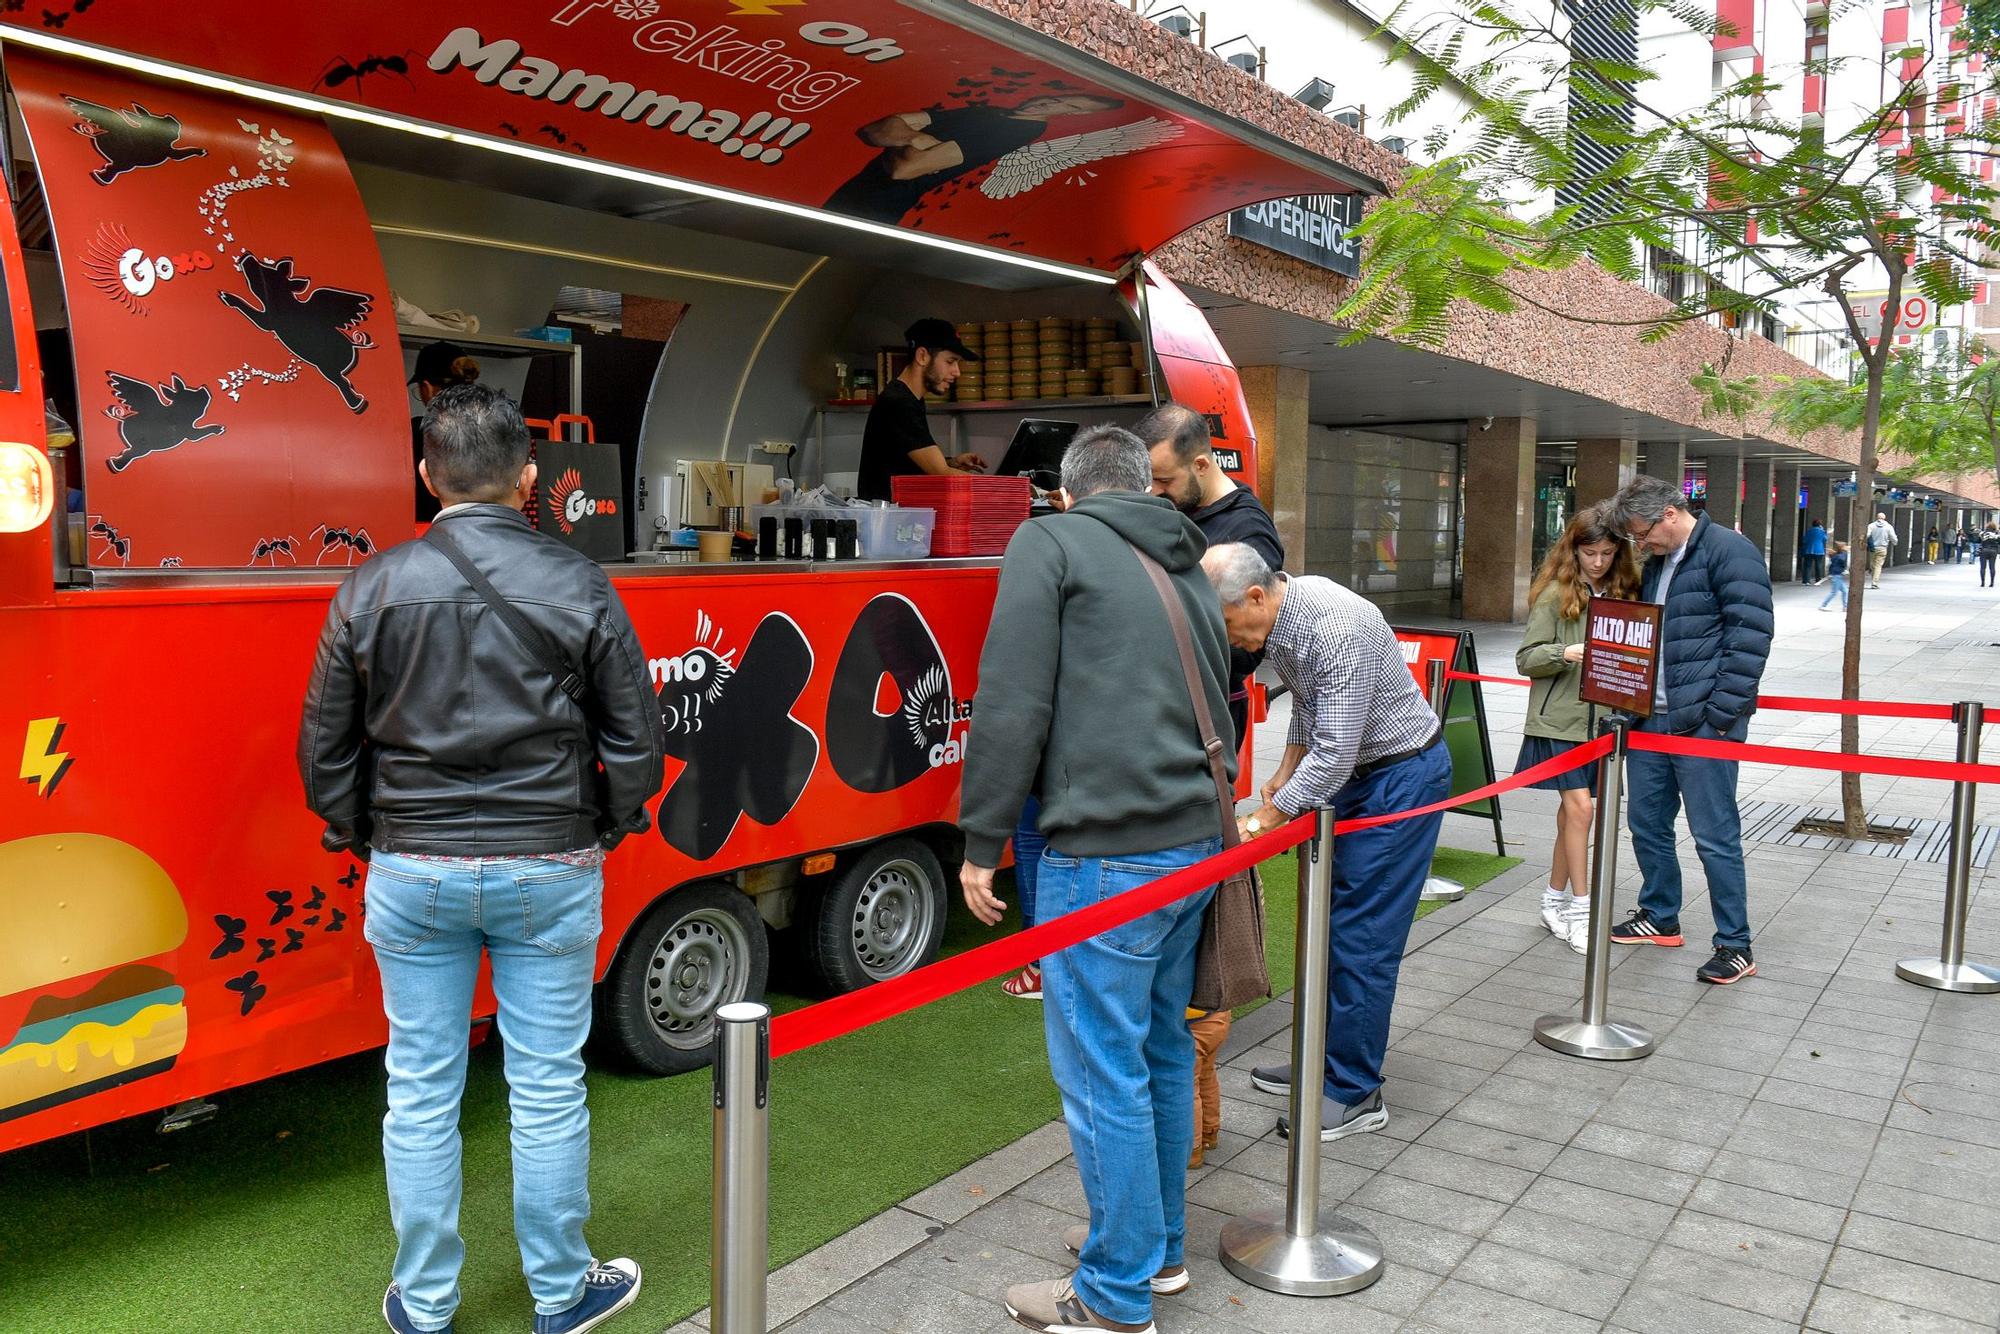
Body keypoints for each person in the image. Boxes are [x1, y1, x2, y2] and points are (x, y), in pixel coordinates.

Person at [299, 384, 665, 1334]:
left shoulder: (368, 587)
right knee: (546, 1081)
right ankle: (560, 1292)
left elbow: (324, 749)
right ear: (531, 479)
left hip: (411, 868)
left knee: (419, 1087)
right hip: (548, 860)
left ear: (426, 478)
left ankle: (424, 1304)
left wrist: (360, 833)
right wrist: (607, 822)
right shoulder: (580, 583)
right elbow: (637, 739)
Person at [958, 425, 1230, 1334]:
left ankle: (1111, 1295)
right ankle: (1157, 1256)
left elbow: (1010, 695)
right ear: (1139, 487)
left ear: (1066, 494)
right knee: (1155, 1051)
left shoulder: (1050, 540)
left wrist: (981, 837)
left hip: (1106, 854)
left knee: (1100, 1070)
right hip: (1195, 843)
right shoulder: (1186, 557)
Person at [1205, 543, 1450, 1142]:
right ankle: (1323, 1058)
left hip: (1396, 778)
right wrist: (1289, 766)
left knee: (1361, 936)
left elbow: (1337, 751)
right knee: (1328, 925)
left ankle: (1353, 1089)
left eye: (1229, 625)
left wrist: (1265, 818)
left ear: (1256, 596)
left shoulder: (1331, 623)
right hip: (1360, 777)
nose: (1231, 642)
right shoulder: (1286, 616)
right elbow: (1309, 708)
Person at [1606, 476, 1773, 985]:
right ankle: (1660, 914)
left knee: (1714, 835)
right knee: (1647, 823)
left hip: (1702, 725)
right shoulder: (1660, 562)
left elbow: (1750, 638)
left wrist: (1718, 715)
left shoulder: (1730, 551)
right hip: (1651, 720)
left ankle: (1734, 943)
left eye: (1643, 534)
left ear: (1671, 514)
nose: (1641, 545)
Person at [1516, 507, 1641, 955]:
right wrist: (1565, 652)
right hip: (1560, 722)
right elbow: (1525, 658)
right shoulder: (1555, 594)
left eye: (1607, 553)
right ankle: (1582, 910)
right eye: (1590, 552)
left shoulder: (1626, 592)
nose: (1598, 562)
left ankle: (1553, 900)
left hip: (1605, 724)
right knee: (1582, 811)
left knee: (1574, 815)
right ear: (1575, 550)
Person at [1136, 401, 1284, 746]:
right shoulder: (1179, 507)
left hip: (1210, 712)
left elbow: (1248, 646)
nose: (1155, 490)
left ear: (1201, 464)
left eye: (1164, 479)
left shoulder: (1248, 530)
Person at [827, 95, 1124, 224]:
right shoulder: (988, 112)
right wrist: (917, 139)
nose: (1054, 103)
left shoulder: (1016, 131)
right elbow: (874, 129)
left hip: (873, 210)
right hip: (850, 195)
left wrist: (905, 134)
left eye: (1071, 106)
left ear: (1073, 115)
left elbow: (905, 169)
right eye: (1063, 96)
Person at [856, 318, 988, 502]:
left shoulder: (910, 399)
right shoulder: (899, 402)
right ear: (922, 356)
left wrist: (951, 462)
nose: (957, 372)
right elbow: (942, 474)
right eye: (950, 361)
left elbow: (905, 463)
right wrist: (1009, 488)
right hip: (888, 523)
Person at [408, 341, 480, 524]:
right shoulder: (494, 425)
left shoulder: (416, 432)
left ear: (427, 387)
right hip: (488, 532)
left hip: (432, 534)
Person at [1865, 512, 1897, 588]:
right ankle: (1874, 582)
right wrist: (1895, 542)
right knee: (1878, 565)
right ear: (1884, 518)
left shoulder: (1871, 525)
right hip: (1882, 548)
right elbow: (1893, 537)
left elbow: (1867, 535)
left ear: (1877, 517)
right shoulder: (1889, 526)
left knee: (1873, 565)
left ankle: (1873, 580)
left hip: (1873, 548)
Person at [1819, 541, 1850, 611]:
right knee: (1834, 592)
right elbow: (1842, 560)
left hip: (1837, 575)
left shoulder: (1837, 555)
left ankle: (1845, 607)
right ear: (1842, 548)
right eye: (1845, 546)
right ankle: (1823, 605)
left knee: (1845, 591)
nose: (1847, 547)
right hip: (1837, 575)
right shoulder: (1842, 554)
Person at [1802, 519, 1828, 583]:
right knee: (1818, 565)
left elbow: (1804, 540)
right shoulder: (1821, 531)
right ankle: (1818, 579)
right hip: (1819, 550)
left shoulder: (1809, 531)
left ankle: (1806, 581)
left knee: (1808, 566)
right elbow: (1825, 539)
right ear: (1820, 525)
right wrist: (1824, 531)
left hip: (1809, 550)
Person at [1980, 521, 2000, 588]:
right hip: (1993, 551)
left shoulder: (1983, 533)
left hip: (1984, 550)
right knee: (1992, 567)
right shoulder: (1997, 534)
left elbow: (1978, 540)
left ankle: (1982, 583)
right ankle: (1992, 583)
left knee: (1983, 567)